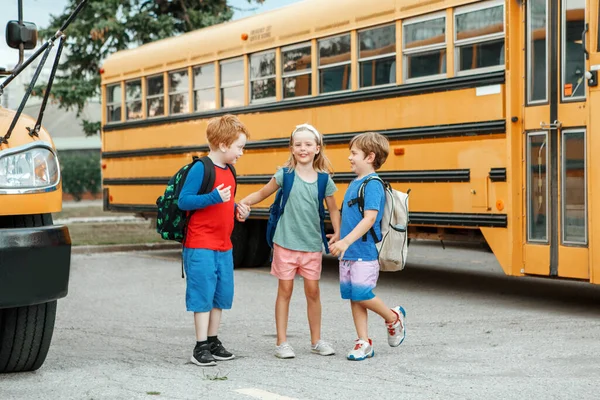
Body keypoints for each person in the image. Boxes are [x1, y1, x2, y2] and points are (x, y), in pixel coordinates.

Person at [240, 123, 340, 359]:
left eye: (308, 144)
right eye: (298, 144)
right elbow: (263, 193)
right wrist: (243, 202)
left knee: (313, 292)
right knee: (285, 290)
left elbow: (334, 209)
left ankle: (316, 340)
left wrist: (337, 233)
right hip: (285, 242)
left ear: (317, 148)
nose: (303, 148)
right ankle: (282, 342)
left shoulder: (324, 180)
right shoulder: (284, 175)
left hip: (311, 245)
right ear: (292, 148)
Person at [178, 114, 251, 367]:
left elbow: (225, 203)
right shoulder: (201, 168)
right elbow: (184, 201)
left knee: (220, 295)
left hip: (223, 245)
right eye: (239, 147)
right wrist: (212, 198)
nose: (241, 152)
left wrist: (237, 210)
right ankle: (199, 347)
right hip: (200, 244)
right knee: (202, 294)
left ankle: (212, 340)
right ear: (223, 144)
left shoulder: (230, 169)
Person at [328, 132, 406, 361]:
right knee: (355, 297)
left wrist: (346, 241)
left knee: (362, 294)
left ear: (370, 157)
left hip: (363, 252)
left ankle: (393, 317)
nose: (350, 158)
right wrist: (339, 235)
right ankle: (363, 342)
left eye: (354, 153)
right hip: (349, 251)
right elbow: (351, 215)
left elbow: (370, 219)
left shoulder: (373, 184)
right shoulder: (355, 183)